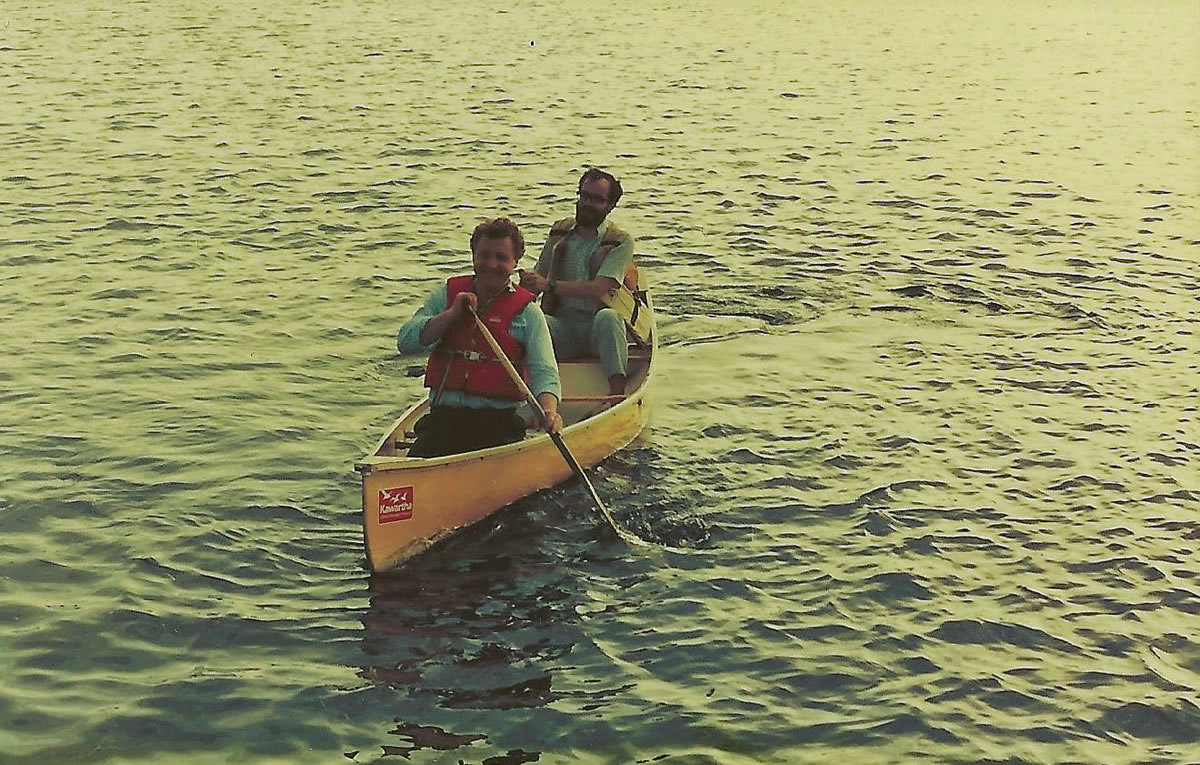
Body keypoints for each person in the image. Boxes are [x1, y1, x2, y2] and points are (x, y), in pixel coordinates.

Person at [397, 217, 563, 458]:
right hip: (444, 422)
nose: (491, 264)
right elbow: (406, 342)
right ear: (473, 255)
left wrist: (548, 410)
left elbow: (544, 371)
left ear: (515, 261)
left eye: (501, 258)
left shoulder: (528, 313)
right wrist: (451, 315)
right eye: (484, 255)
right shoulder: (446, 296)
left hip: (497, 425)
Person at [520, 168, 636, 396]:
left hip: (597, 330)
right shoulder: (559, 233)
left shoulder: (620, 241)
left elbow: (599, 289)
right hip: (563, 327)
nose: (587, 204)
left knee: (609, 318)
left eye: (597, 199)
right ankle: (528, 391)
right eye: (584, 196)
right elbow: (538, 278)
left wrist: (549, 285)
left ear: (610, 205)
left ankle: (617, 393)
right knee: (533, 320)